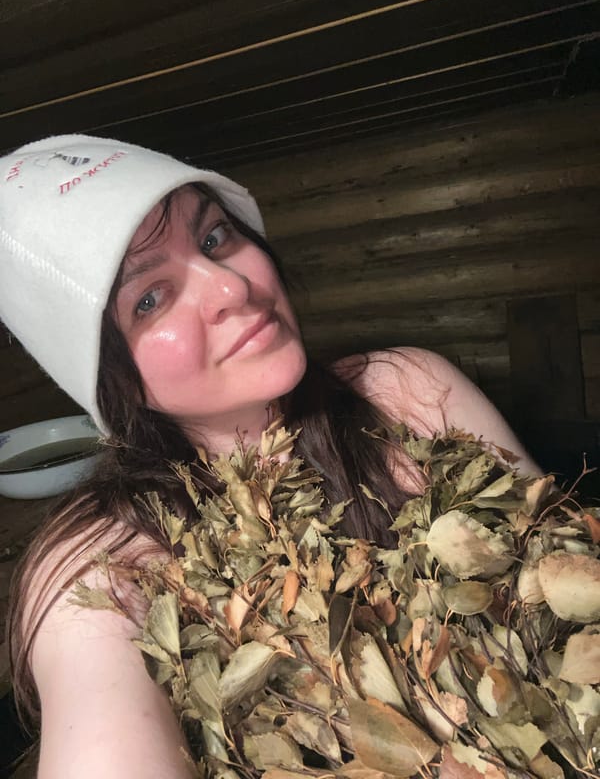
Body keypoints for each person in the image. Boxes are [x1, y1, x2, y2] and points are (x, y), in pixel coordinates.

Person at [0, 135, 541, 779]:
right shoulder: (100, 567)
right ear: (108, 378)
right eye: (150, 297)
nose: (232, 285)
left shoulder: (409, 392)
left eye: (215, 238)